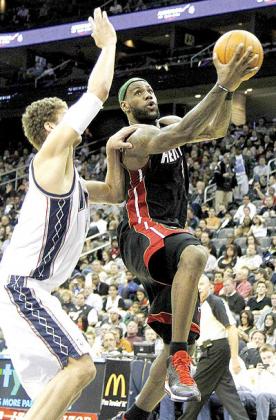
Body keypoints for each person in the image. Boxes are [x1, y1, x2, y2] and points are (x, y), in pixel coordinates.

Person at [0, 9, 137, 420]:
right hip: (23, 286)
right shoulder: (48, 158)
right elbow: (96, 94)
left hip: (32, 289)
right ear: (49, 129)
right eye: (65, 118)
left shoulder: (71, 180)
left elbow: (113, 192)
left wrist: (113, 151)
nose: (78, 126)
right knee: (81, 367)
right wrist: (109, 45)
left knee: (58, 392)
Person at [113, 43, 258, 419]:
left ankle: (135, 415)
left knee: (178, 335)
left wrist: (232, 86)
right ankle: (181, 355)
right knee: (196, 252)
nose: (148, 95)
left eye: (150, 90)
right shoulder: (135, 136)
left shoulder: (167, 124)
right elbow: (178, 136)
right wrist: (221, 85)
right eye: (138, 92)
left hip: (169, 239)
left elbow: (214, 129)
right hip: (141, 232)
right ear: (126, 105)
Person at [180, 275, 249, 420]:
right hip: (207, 350)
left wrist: (235, 358)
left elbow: (231, 329)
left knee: (195, 391)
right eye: (195, 285)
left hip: (217, 349)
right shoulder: (196, 306)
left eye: (202, 284)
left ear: (210, 286)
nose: (198, 287)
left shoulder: (215, 302)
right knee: (227, 393)